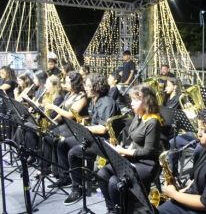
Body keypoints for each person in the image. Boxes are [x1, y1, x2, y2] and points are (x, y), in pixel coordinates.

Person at [97, 85, 162, 213]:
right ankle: (112, 209)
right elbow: (133, 139)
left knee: (115, 182)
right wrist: (118, 147)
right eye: (131, 99)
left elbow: (149, 151)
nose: (131, 103)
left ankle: (123, 211)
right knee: (102, 174)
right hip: (133, 158)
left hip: (147, 164)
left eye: (136, 100)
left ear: (147, 101)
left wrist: (123, 151)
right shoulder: (138, 116)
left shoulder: (153, 122)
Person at [62, 73, 118, 205]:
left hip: (104, 142)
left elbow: (103, 129)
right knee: (63, 143)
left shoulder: (107, 102)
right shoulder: (94, 100)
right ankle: (70, 177)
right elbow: (93, 123)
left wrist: (84, 129)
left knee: (73, 153)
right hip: (93, 137)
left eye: (87, 86)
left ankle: (78, 188)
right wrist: (84, 124)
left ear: (96, 86)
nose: (84, 88)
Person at [43, 71, 88, 183]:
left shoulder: (82, 96)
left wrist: (53, 107)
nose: (65, 84)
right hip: (65, 124)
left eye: (68, 82)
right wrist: (53, 120)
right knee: (48, 135)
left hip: (75, 126)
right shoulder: (69, 94)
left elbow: (70, 114)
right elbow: (63, 111)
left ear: (75, 83)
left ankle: (65, 175)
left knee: (58, 141)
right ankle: (52, 169)